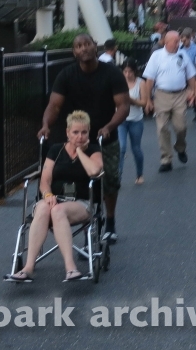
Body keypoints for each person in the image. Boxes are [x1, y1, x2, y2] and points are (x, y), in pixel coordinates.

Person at [38, 34, 129, 242]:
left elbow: (123, 106)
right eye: (79, 46)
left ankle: (110, 221)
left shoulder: (112, 73)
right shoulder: (67, 75)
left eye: (87, 44)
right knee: (76, 179)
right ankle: (85, 220)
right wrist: (45, 125)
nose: (84, 48)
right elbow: (54, 106)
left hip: (104, 136)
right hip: (76, 139)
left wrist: (109, 126)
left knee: (109, 180)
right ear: (74, 52)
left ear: (95, 47)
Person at [8, 111, 104, 282]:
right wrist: (47, 194)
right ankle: (28, 267)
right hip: (53, 199)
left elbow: (94, 171)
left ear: (89, 132)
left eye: (84, 132)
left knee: (57, 210)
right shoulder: (55, 150)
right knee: (44, 208)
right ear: (67, 132)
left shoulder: (93, 150)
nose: (80, 136)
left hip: (80, 203)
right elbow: (45, 179)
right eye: (75, 132)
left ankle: (70, 268)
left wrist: (80, 151)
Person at [141, 30, 196, 173]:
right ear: (166, 42)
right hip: (162, 95)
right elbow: (149, 80)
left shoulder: (182, 54)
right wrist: (148, 100)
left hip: (180, 95)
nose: (178, 43)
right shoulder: (157, 56)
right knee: (162, 128)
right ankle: (166, 159)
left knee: (181, 127)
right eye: (175, 41)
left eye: (179, 41)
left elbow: (191, 75)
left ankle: (180, 147)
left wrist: (193, 92)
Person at [117, 61, 146, 185]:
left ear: (134, 72)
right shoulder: (118, 82)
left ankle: (139, 174)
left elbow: (144, 102)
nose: (127, 74)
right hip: (121, 120)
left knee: (136, 148)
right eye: (125, 72)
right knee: (121, 147)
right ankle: (117, 177)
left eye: (130, 72)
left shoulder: (141, 83)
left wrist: (131, 100)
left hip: (136, 120)